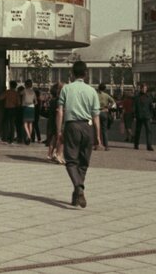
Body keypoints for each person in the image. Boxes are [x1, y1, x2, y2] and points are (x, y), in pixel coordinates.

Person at [55, 61, 101, 208]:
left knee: (71, 161)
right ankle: (77, 192)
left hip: (72, 125)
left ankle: (78, 188)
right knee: (83, 162)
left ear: (72, 73)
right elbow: (96, 116)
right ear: (86, 73)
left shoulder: (66, 89)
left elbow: (59, 110)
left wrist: (58, 131)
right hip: (87, 127)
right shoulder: (92, 91)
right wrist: (98, 136)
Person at [46, 82, 65, 165]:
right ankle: (57, 154)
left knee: (54, 137)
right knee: (59, 137)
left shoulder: (53, 100)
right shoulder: (59, 100)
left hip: (52, 120)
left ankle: (50, 154)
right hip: (59, 120)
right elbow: (59, 111)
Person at [133, 83, 155, 151]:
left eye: (145, 88)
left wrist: (151, 116)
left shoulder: (149, 96)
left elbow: (151, 107)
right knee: (138, 131)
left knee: (149, 131)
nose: (144, 89)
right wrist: (134, 116)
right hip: (139, 115)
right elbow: (134, 107)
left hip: (147, 116)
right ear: (141, 88)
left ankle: (149, 145)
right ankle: (136, 144)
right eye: (143, 88)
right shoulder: (137, 97)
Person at [96, 83, 115, 151]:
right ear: (104, 89)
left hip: (97, 112)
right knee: (104, 130)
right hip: (104, 112)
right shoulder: (106, 95)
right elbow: (113, 102)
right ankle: (106, 145)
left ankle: (97, 144)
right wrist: (108, 107)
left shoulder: (95, 95)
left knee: (97, 129)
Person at [21, 80, 37, 145]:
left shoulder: (24, 90)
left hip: (26, 107)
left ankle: (29, 136)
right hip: (32, 107)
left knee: (25, 123)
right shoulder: (33, 92)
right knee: (30, 123)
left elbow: (19, 93)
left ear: (25, 84)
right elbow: (36, 102)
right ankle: (28, 137)